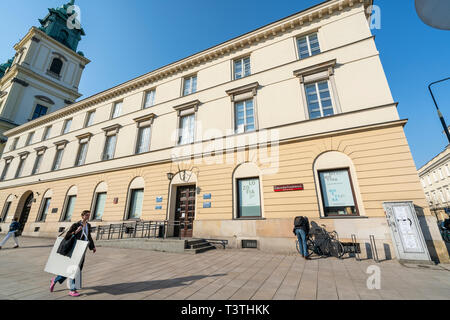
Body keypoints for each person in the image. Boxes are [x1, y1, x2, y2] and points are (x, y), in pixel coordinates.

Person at [50, 210, 96, 297]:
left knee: (77, 269)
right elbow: (67, 235)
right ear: (82, 216)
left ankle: (55, 279)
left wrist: (92, 247)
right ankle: (72, 290)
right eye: (86, 215)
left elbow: (88, 236)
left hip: (82, 249)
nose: (88, 217)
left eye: (89, 215)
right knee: (74, 269)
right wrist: (75, 232)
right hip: (74, 249)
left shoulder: (88, 225)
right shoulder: (76, 225)